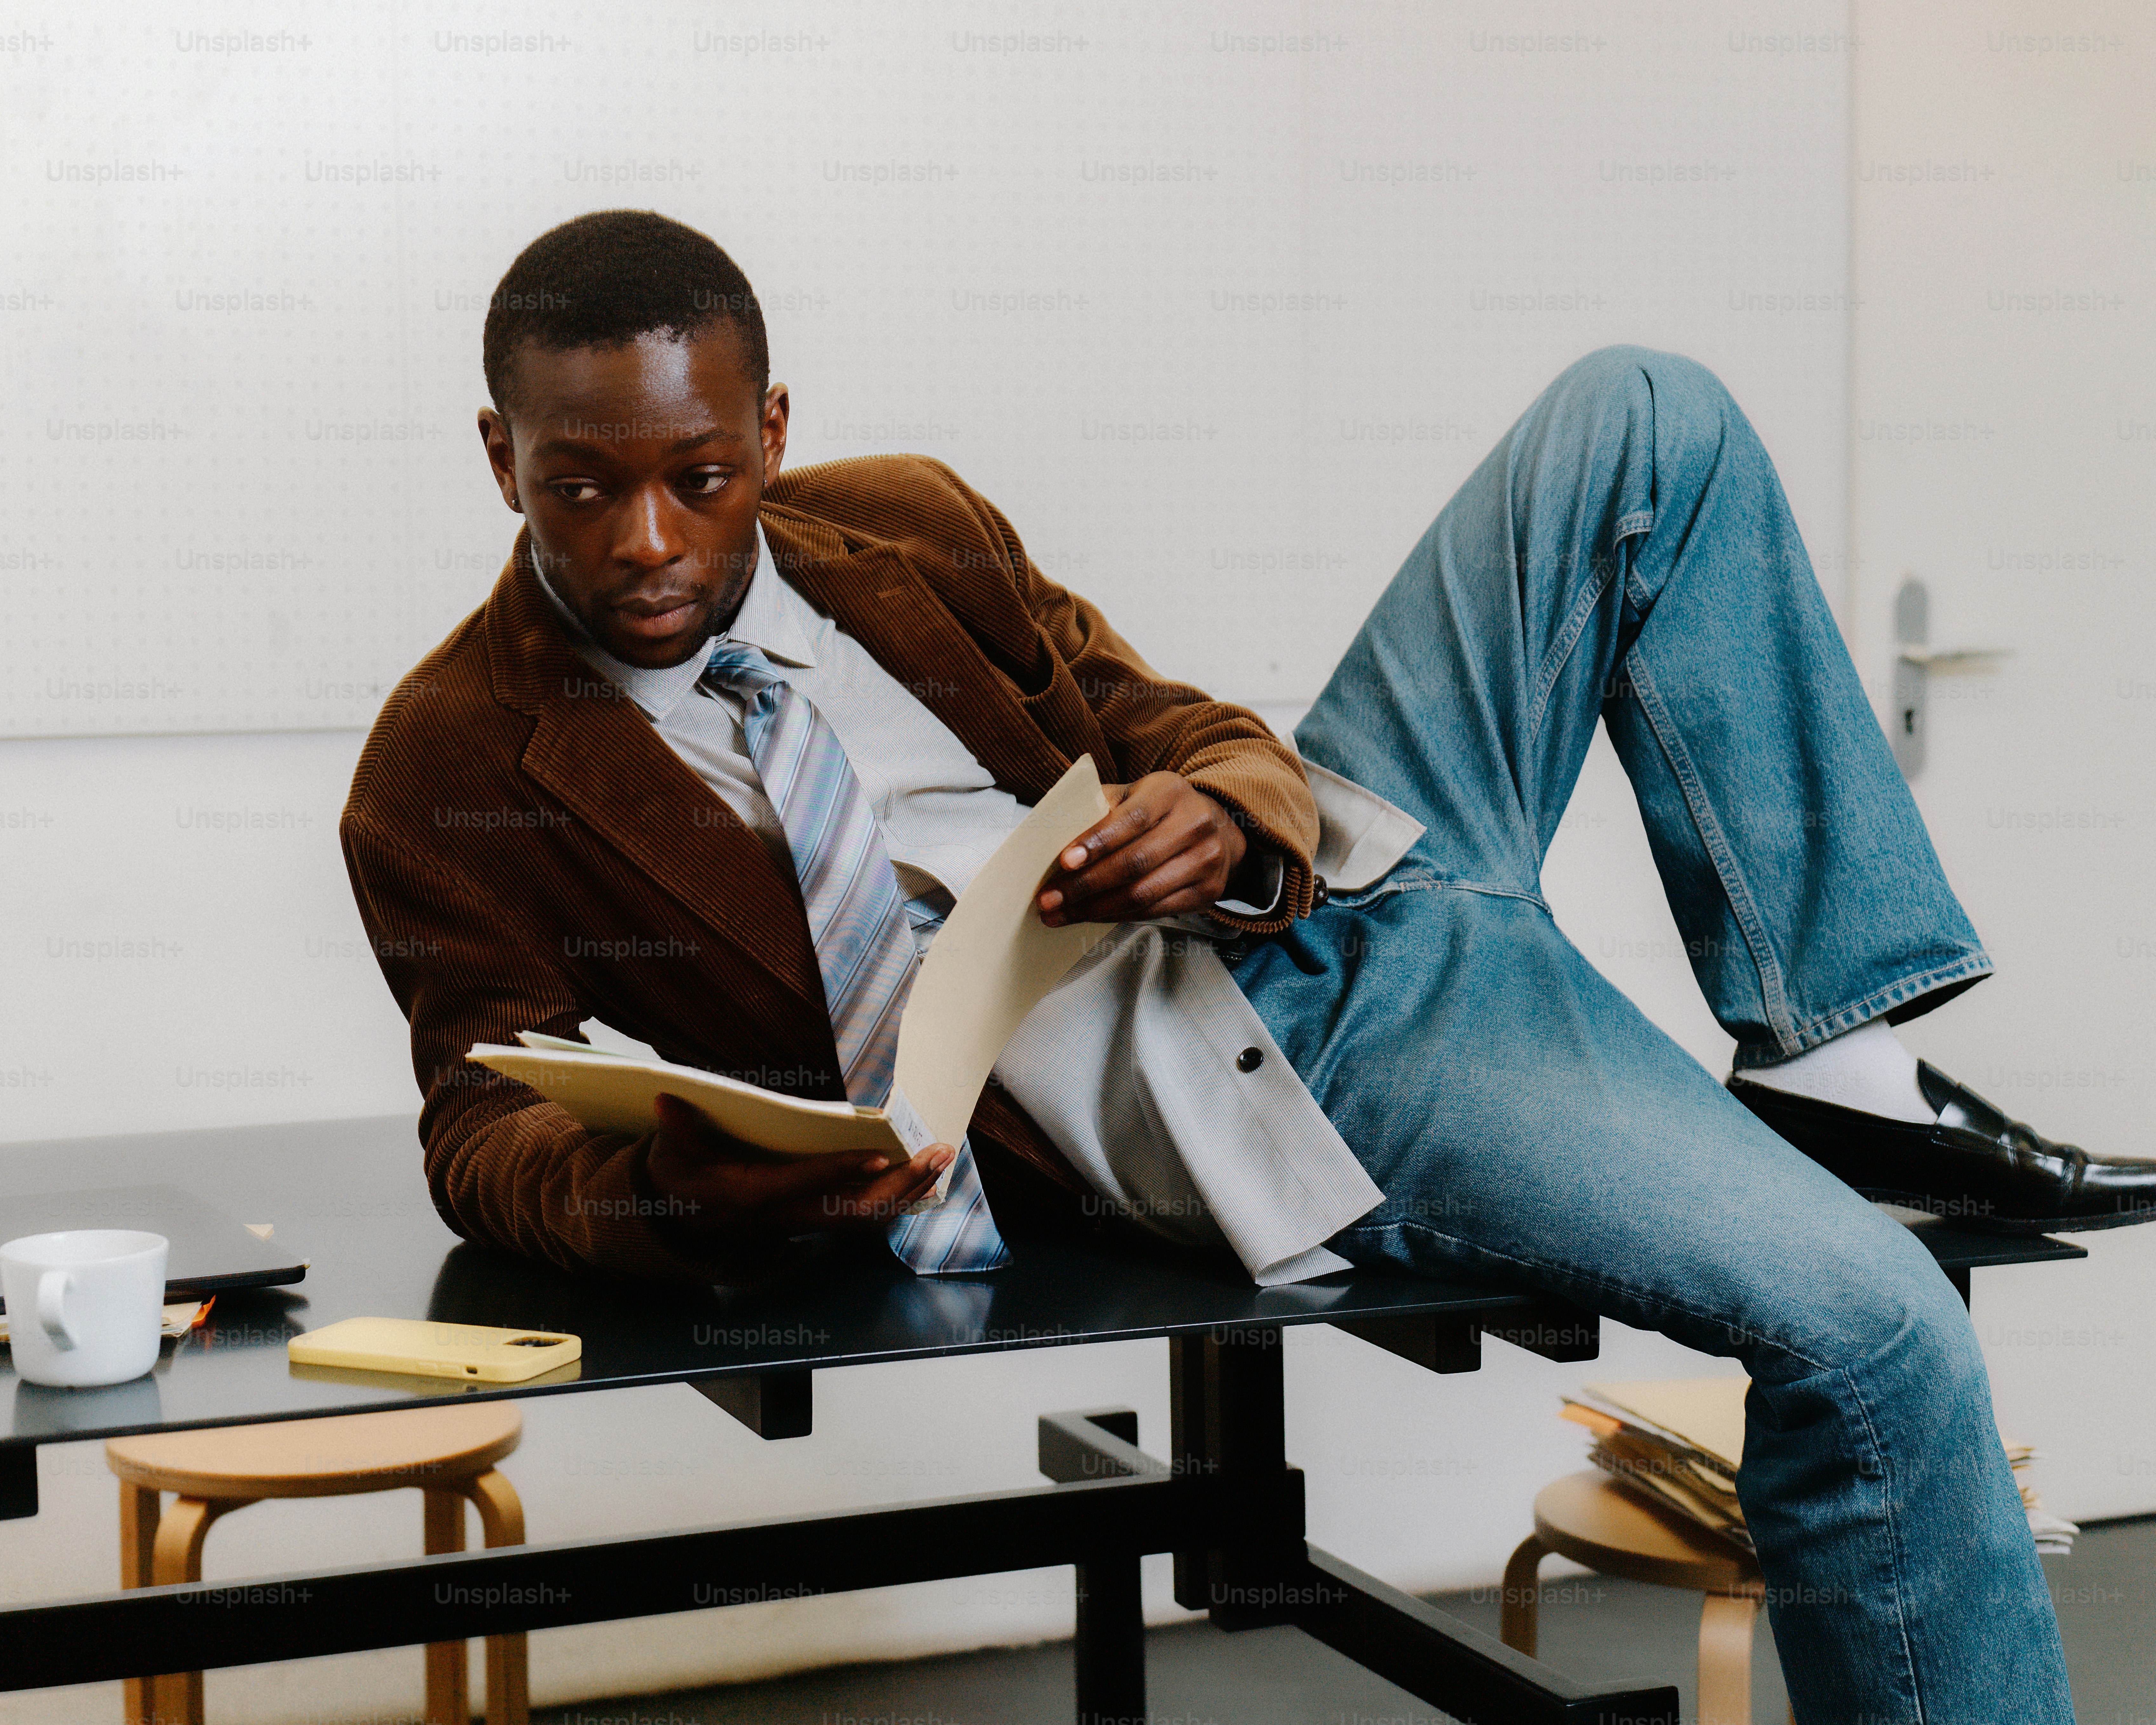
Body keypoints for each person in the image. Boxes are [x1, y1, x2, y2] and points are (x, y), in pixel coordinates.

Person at [344, 210, 2144, 1720]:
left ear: (776, 433)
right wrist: (678, 1182)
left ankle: (1832, 1059)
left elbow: (1170, 714)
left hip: (1334, 878)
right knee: (1884, 1334)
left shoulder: (901, 524)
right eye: (580, 489)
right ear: (499, 453)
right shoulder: (445, 762)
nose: (646, 541)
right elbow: (481, 1128)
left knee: (1644, 413)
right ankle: (1824, 1129)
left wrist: (1220, 801)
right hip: (1324, 1054)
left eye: (699, 477)